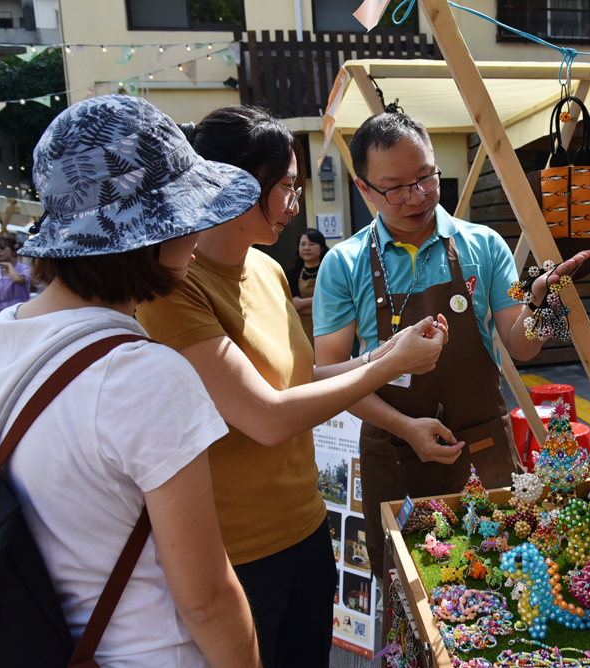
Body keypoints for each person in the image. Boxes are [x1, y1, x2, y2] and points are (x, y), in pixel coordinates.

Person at [135, 105, 447, 668]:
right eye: (284, 186)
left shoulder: (265, 269)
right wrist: (384, 366)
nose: (295, 203)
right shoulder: (175, 291)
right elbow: (269, 417)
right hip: (237, 555)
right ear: (233, 185)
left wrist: (382, 354)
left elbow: (300, 384)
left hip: (306, 527)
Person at [0, 95, 263, 667]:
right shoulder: (142, 375)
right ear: (147, 233)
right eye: (184, 219)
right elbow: (207, 602)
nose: (194, 239)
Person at [313, 112, 590, 580]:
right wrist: (405, 427)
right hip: (395, 456)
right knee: (409, 598)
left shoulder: (482, 244)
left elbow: (522, 348)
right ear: (364, 190)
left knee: (501, 584)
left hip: (481, 451)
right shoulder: (343, 263)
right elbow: (329, 374)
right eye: (396, 187)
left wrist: (546, 302)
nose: (416, 197)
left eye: (425, 177)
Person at [285, 228, 329, 345]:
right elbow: (295, 305)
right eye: (302, 244)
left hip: (328, 325)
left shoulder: (329, 271)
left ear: (322, 247)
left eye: (312, 244)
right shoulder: (292, 275)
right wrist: (318, 302)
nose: (306, 248)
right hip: (303, 328)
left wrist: (303, 303)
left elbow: (331, 300)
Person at [0, 234, 32, 313]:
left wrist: (9, 265)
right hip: (1, 312)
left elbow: (18, 280)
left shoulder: (24, 269)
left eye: (2, 247)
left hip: (20, 311)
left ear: (13, 250)